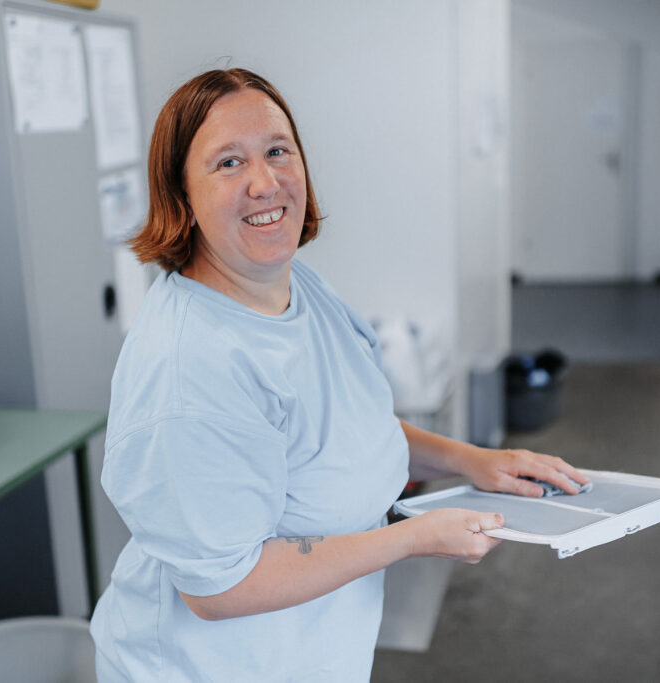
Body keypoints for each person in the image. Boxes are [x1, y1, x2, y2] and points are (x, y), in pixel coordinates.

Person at [89, 67, 589, 682]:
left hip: (314, 653)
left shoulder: (296, 286)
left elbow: (349, 430)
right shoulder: (190, 370)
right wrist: (412, 538)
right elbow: (219, 588)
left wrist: (469, 460)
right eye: (227, 163)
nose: (265, 182)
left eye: (278, 150)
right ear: (182, 198)